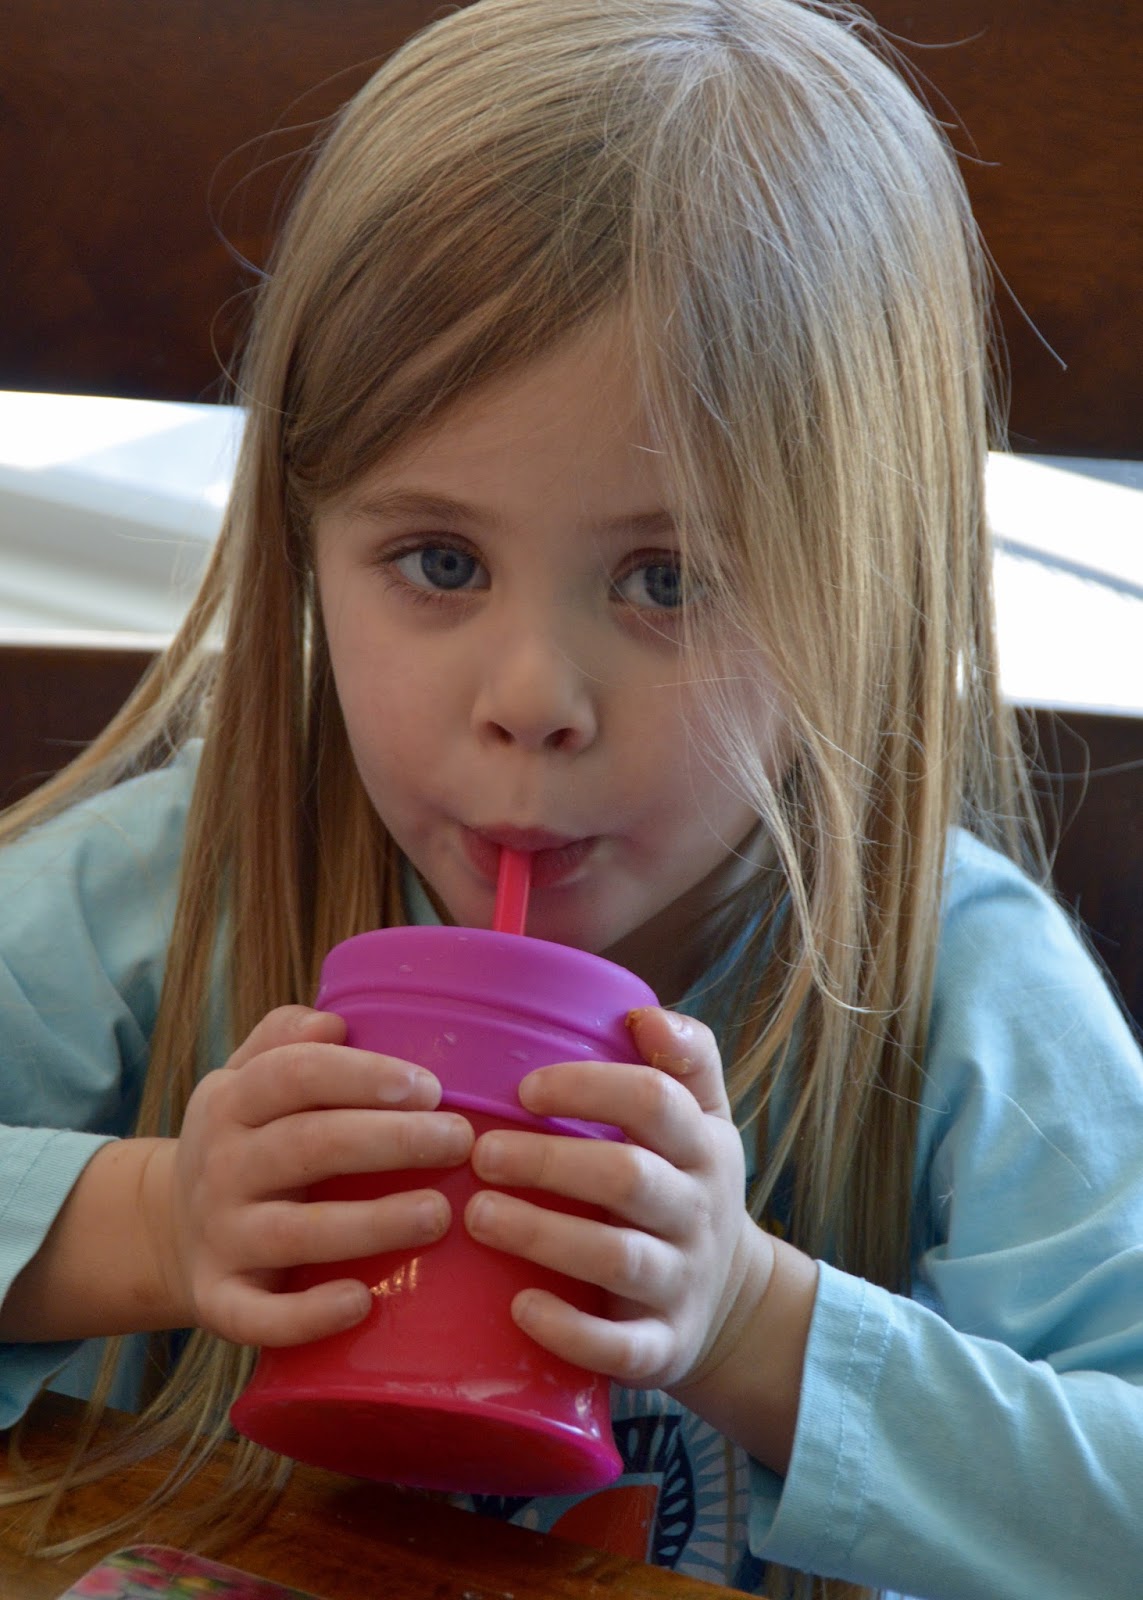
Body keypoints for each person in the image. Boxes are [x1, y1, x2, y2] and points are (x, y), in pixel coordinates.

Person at [1, 0, 1141, 1595]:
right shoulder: (180, 882)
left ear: (863, 600)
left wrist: (750, 1319)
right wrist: (153, 1222)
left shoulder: (960, 986)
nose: (533, 694)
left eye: (667, 579)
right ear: (306, 547)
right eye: (439, 560)